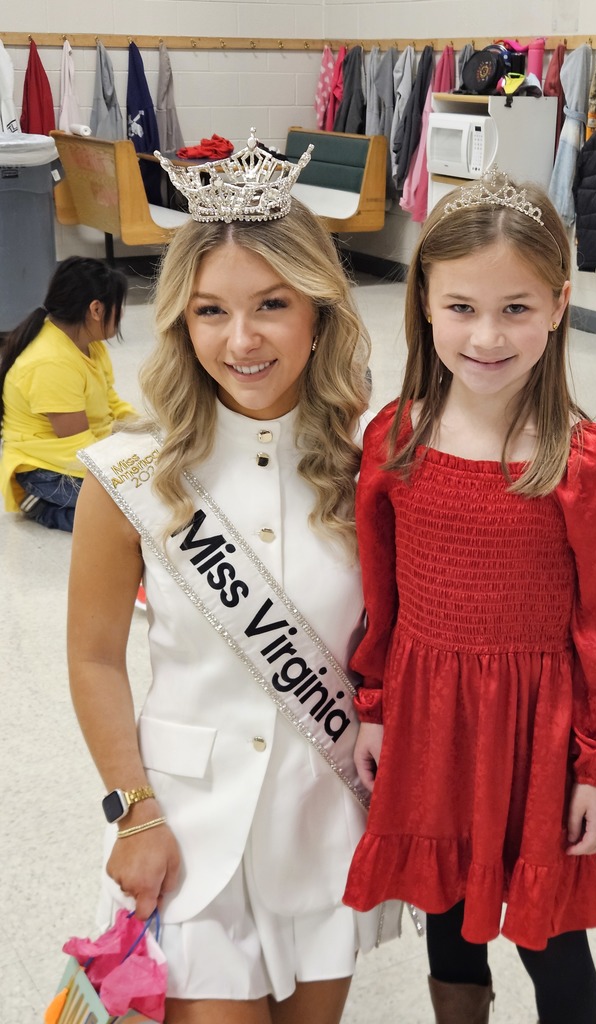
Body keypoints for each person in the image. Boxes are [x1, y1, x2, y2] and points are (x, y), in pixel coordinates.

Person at [67, 138, 382, 1024]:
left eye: (272, 305)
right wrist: (133, 813)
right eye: (210, 311)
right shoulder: (127, 472)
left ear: (319, 311)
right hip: (186, 835)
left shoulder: (372, 471)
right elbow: (94, 658)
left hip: (324, 826)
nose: (240, 340)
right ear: (179, 319)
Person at [342, 168, 596, 1024]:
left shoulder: (584, 461)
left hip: (539, 739)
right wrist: (373, 707)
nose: (486, 336)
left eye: (515, 308)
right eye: (462, 308)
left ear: (558, 304)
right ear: (424, 303)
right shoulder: (394, 440)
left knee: (554, 945)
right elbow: (383, 594)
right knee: (447, 915)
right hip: (428, 724)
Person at [0, 256, 135, 531]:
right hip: (46, 469)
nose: (121, 315)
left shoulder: (89, 344)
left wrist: (148, 434)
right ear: (96, 309)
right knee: (132, 514)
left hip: (78, 453)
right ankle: (42, 506)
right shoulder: (51, 363)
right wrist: (131, 464)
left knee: (156, 485)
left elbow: (110, 403)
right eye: (118, 306)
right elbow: (78, 446)